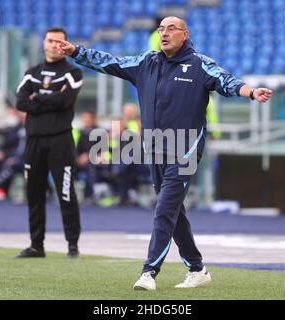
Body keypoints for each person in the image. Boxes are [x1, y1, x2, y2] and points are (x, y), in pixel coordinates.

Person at [55, 16, 272, 290]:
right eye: (161, 29)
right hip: (155, 148)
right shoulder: (147, 62)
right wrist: (76, 52)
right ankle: (197, 268)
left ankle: (149, 272)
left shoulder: (199, 65)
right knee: (173, 211)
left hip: (186, 149)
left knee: (164, 210)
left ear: (185, 33)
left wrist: (251, 92)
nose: (164, 33)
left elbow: (227, 81)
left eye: (171, 29)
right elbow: (110, 62)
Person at [15, 27, 83, 259]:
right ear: (43, 43)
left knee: (65, 193)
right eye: (51, 41)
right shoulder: (32, 72)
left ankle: (72, 245)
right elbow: (21, 102)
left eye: (59, 42)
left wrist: (39, 97)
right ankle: (36, 245)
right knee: (34, 193)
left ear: (65, 45)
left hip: (60, 141)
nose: (55, 45)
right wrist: (49, 99)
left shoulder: (73, 73)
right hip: (34, 141)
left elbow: (65, 100)